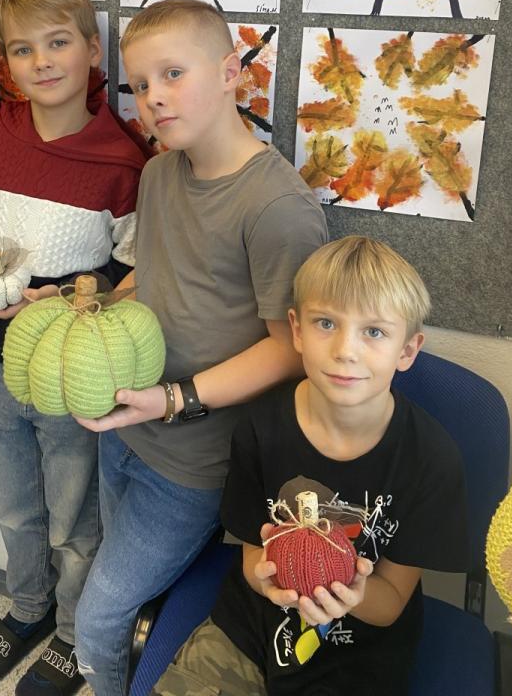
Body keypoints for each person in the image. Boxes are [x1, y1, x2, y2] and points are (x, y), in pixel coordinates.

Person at [73, 0, 328, 696]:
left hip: (194, 465)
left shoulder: (277, 207)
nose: (153, 97)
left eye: (173, 74)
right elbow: (153, 279)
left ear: (229, 73)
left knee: (99, 618)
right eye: (140, 84)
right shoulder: (159, 173)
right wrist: (85, 306)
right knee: (122, 594)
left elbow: (293, 350)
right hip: (126, 431)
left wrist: (175, 398)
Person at [0, 0, 149, 696]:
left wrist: (60, 297)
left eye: (58, 42)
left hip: (70, 382)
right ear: (4, 61)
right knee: (14, 508)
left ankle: (70, 630)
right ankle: (27, 608)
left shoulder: (122, 160)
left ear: (93, 50)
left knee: (75, 519)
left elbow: (132, 279)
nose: (42, 62)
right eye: (22, 49)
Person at [152, 235, 469, 696]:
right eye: (326, 323)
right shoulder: (260, 429)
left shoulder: (431, 459)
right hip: (248, 632)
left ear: (407, 350)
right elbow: (252, 556)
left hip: (356, 662)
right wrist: (266, 581)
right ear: (297, 331)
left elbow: (391, 603)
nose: (346, 350)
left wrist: (353, 594)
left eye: (374, 332)